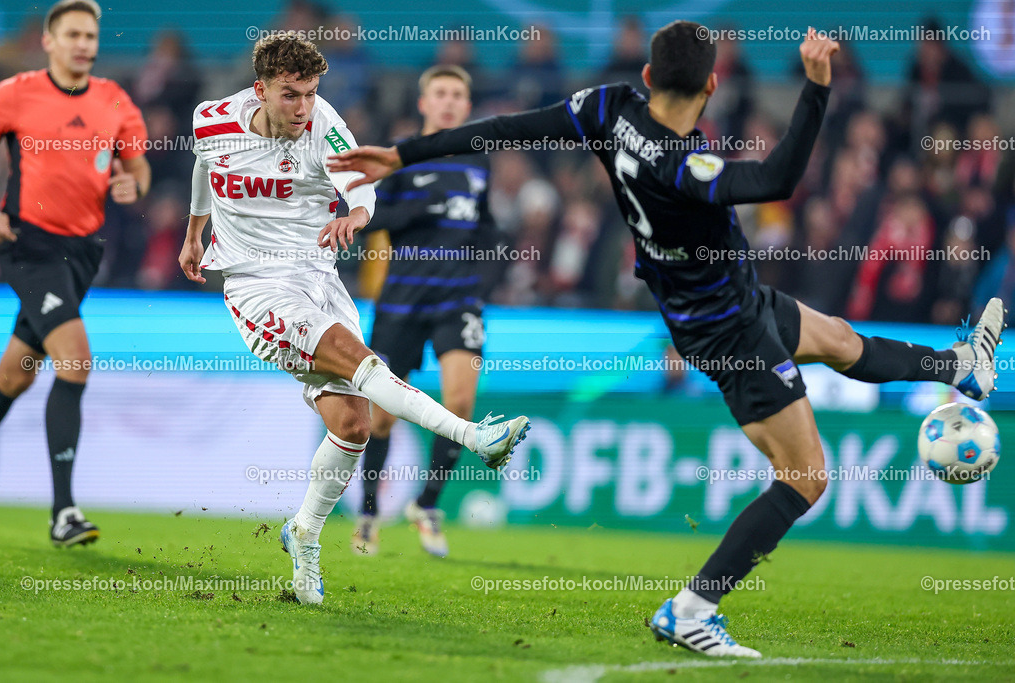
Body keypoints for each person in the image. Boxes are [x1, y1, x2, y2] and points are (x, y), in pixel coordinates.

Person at [326, 22, 1005, 657]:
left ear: (649, 74)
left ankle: (959, 367)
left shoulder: (606, 109)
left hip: (723, 305)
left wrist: (402, 153)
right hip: (730, 328)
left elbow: (506, 127)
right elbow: (777, 180)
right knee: (806, 477)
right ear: (711, 87)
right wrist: (817, 87)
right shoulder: (688, 168)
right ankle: (691, 610)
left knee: (839, 340)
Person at [177, 36, 529, 605]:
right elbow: (203, 163)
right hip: (257, 288)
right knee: (363, 363)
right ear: (260, 88)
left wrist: (358, 217)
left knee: (354, 427)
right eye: (290, 96)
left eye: (311, 94)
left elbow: (360, 191)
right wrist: (195, 232)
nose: (302, 108)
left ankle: (303, 535)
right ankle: (475, 436)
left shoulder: (324, 126)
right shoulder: (212, 119)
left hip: (320, 281)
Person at [0, 0, 150, 547]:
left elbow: (138, 166)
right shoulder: (15, 93)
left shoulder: (114, 99)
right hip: (28, 245)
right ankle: (64, 513)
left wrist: (134, 183)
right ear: (49, 40)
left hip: (83, 253)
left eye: (90, 35)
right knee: (77, 363)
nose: (84, 43)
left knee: (14, 376)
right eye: (73, 34)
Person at [351, 64, 497, 558]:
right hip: (402, 300)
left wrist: (486, 277)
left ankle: (427, 504)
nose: (450, 101)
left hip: (458, 298)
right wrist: (417, 210)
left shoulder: (479, 161)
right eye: (441, 93)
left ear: (467, 105)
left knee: (459, 404)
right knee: (384, 417)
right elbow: (369, 218)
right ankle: (369, 514)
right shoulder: (399, 157)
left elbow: (487, 225)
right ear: (424, 103)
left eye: (458, 93)